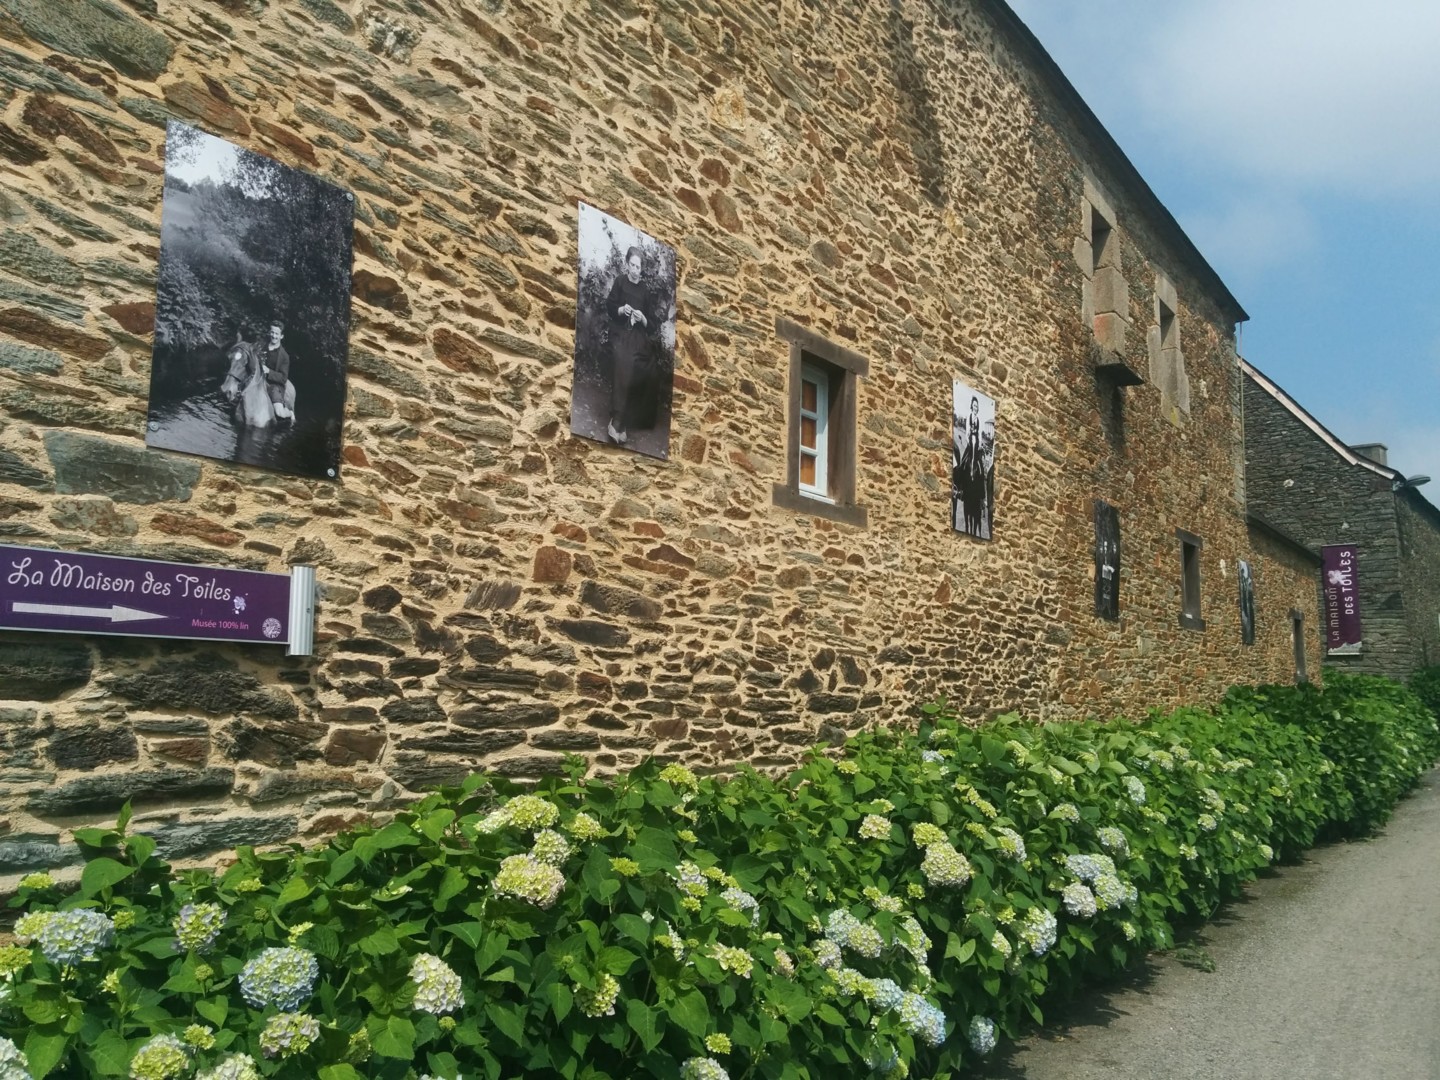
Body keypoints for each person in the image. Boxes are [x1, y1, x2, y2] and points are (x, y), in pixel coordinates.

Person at [604, 246, 659, 445]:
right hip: (620, 332)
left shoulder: (645, 291)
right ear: (627, 265)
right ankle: (617, 420)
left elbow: (652, 324)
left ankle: (625, 420)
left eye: (639, 267)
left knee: (648, 365)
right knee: (625, 358)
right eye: (632, 265)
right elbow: (609, 306)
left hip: (637, 336)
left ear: (642, 268)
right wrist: (621, 309)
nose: (635, 270)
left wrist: (643, 318)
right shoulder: (620, 282)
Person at [955, 395, 987, 536]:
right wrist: (970, 439)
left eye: (976, 407)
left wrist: (978, 443)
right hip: (969, 442)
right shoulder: (969, 417)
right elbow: (968, 430)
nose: (975, 409)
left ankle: (981, 497)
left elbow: (979, 434)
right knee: (962, 462)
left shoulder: (979, 419)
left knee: (980, 466)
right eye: (974, 406)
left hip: (976, 443)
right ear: (971, 407)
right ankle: (960, 489)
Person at [260, 319, 292, 422]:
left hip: (274, 386)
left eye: (277, 334)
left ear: (281, 336)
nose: (274, 336)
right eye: (272, 332)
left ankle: (289, 413)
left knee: (279, 413)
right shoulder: (262, 346)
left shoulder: (284, 356)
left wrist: (269, 371)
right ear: (270, 332)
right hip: (258, 380)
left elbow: (283, 378)